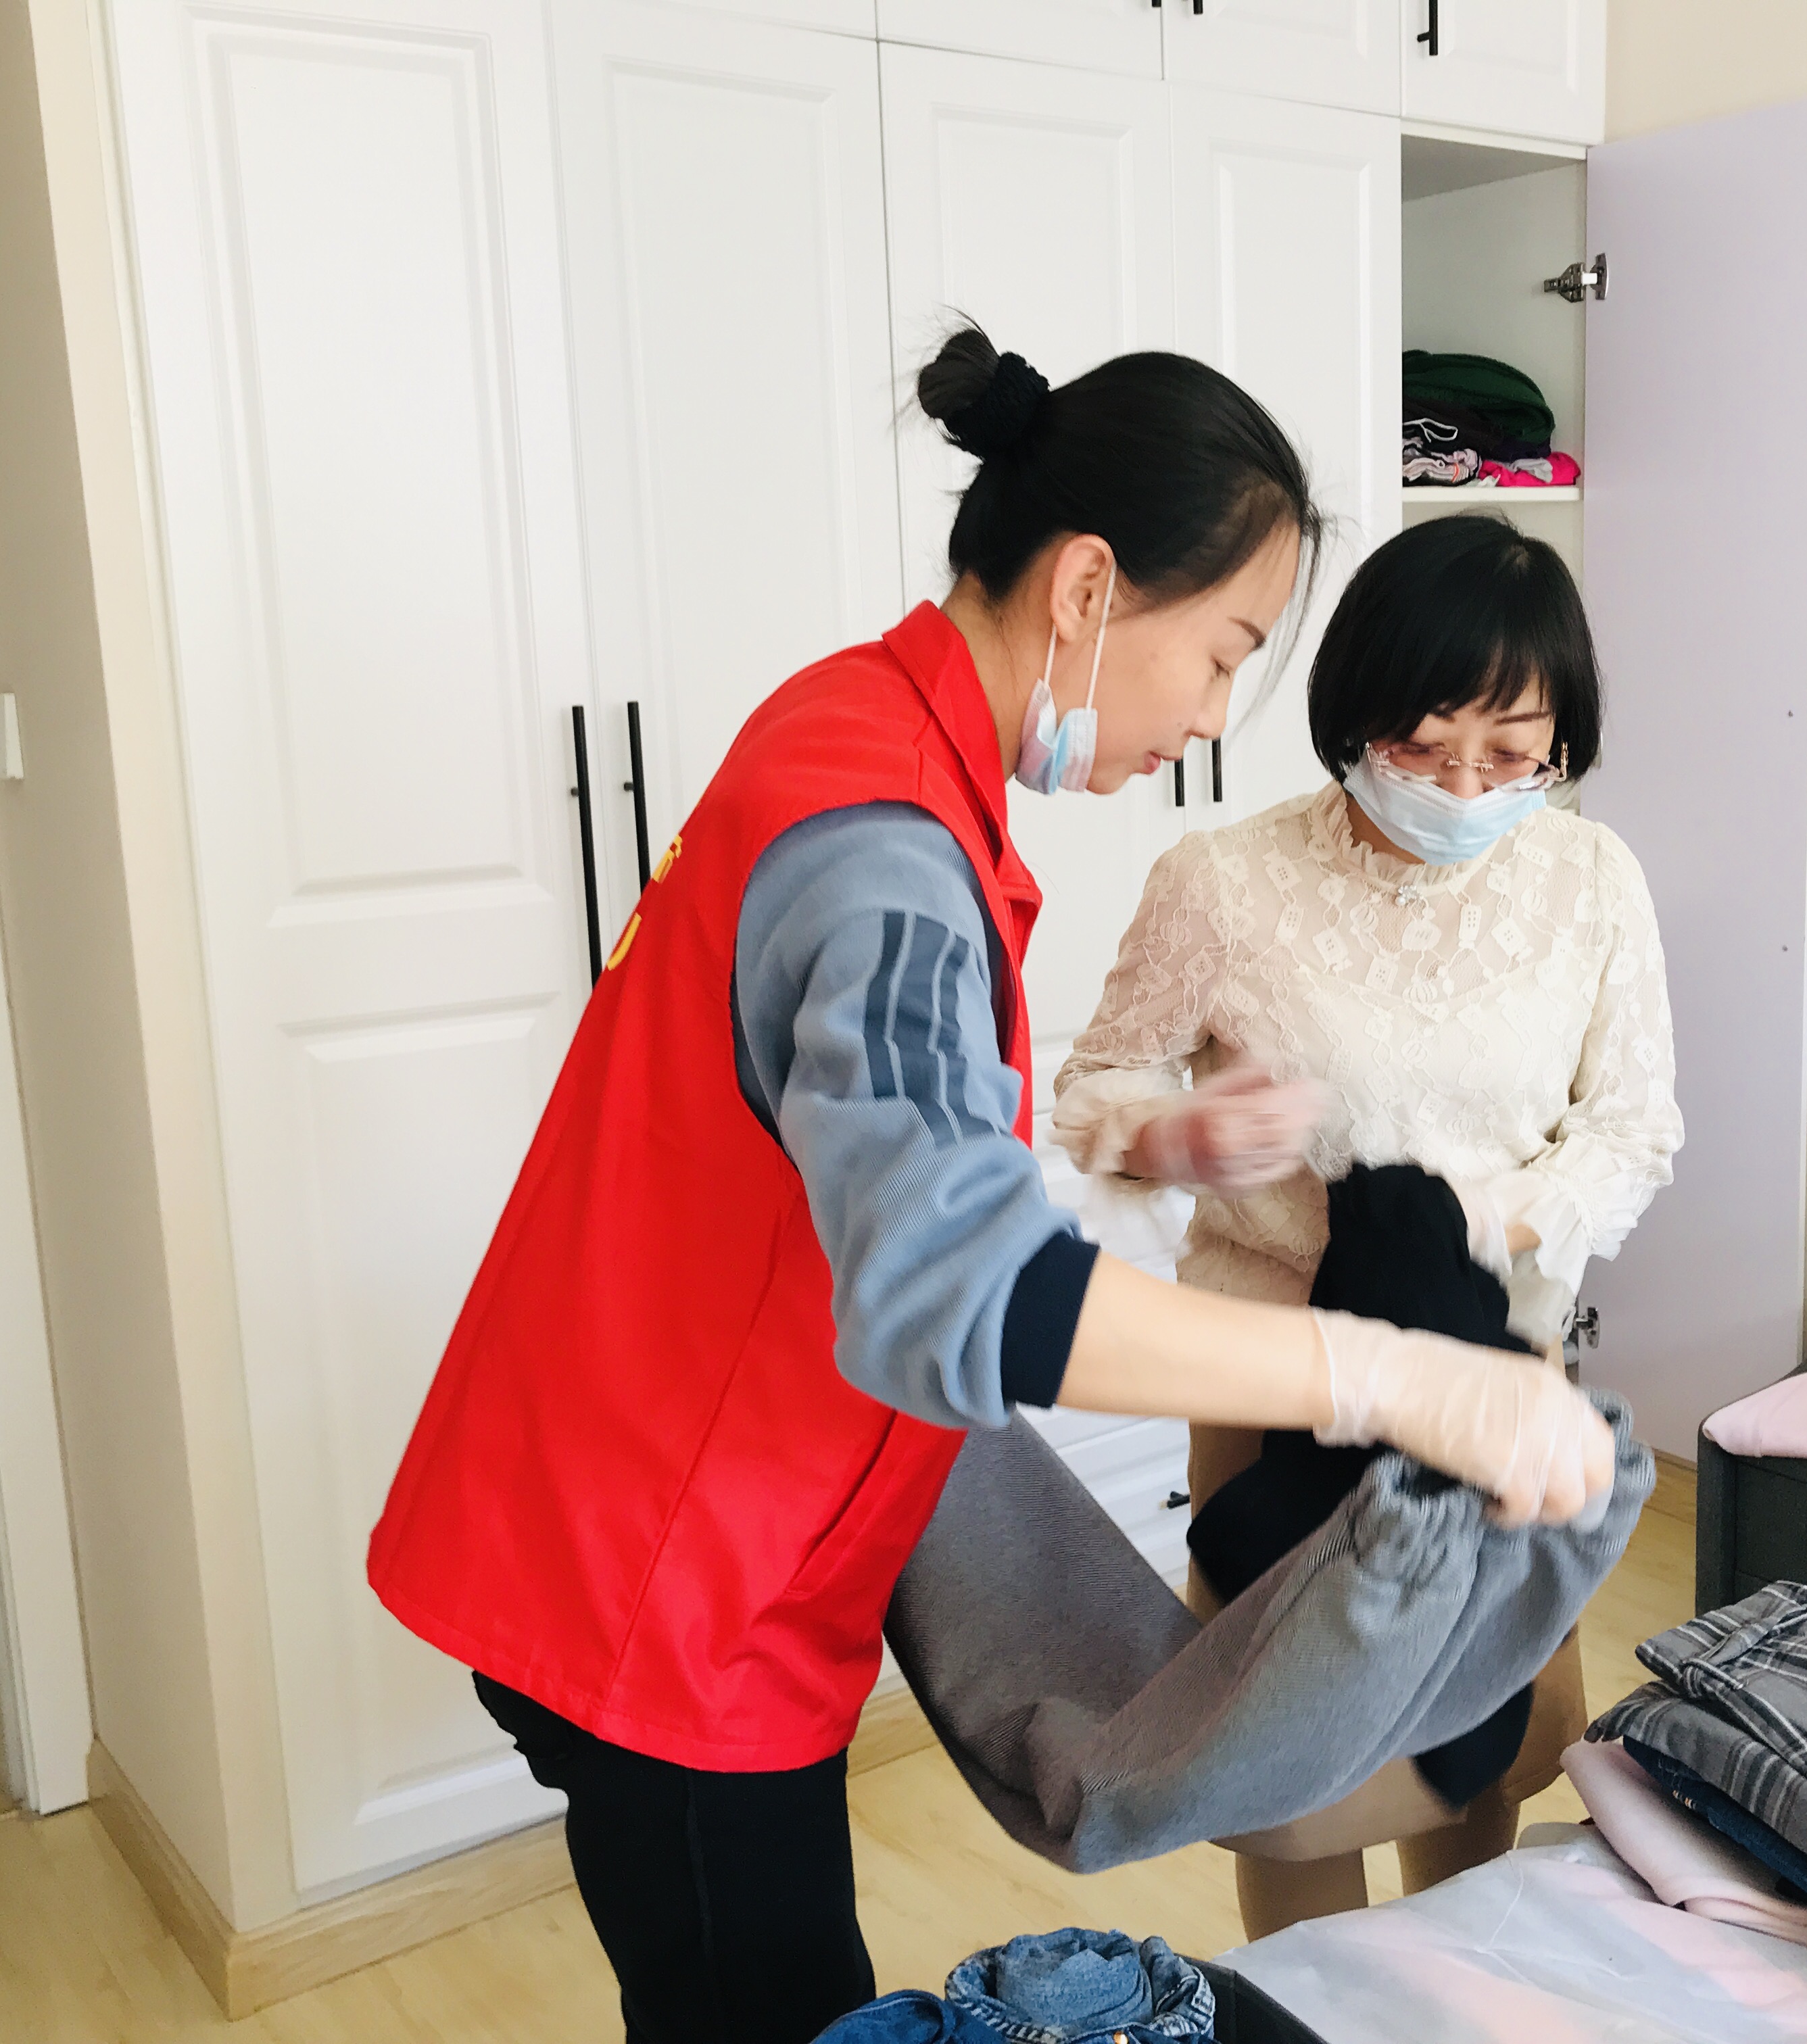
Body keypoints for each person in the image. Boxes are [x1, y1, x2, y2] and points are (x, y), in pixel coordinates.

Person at [365, 336, 1618, 2044]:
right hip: (662, 1575)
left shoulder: (857, 731)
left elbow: (867, 1167)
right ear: (1089, 590)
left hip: (660, 1515)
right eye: (1223, 654)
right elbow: (964, 1288)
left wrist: (1161, 1148)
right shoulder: (886, 841)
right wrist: (1400, 1379)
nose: (1209, 719)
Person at [1053, 512, 1684, 1937]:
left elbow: (1634, 1127)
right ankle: (1305, 2016)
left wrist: (1467, 1222)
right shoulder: (1222, 883)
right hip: (1278, 1387)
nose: (1466, 786)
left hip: (1496, 1385)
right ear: (1354, 716)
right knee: (1292, 1778)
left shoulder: (1590, 881)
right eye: (1426, 745)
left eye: (1513, 755)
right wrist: (1168, 1134)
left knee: (1479, 1763)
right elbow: (1099, 1083)